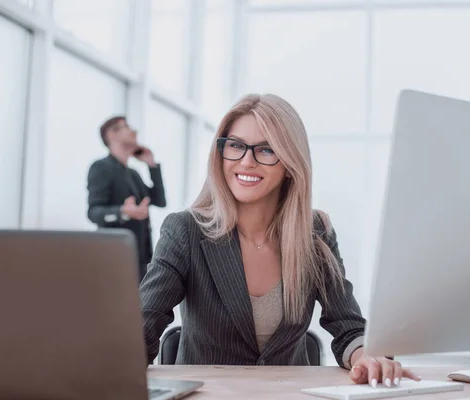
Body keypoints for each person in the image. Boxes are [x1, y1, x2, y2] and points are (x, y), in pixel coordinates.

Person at [140, 94, 418, 387]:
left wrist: (366, 357)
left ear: (290, 162)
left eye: (266, 150)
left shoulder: (315, 233)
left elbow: (348, 326)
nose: (247, 162)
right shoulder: (185, 231)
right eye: (235, 146)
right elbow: (143, 326)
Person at [87, 116, 166, 281]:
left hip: (140, 260)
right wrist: (123, 212)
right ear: (112, 135)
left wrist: (151, 164)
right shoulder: (101, 167)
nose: (134, 131)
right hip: (114, 259)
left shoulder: (133, 174)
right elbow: (93, 212)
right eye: (126, 127)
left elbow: (160, 201)